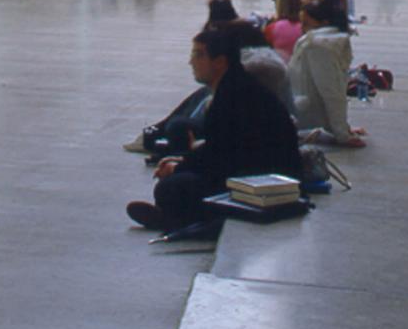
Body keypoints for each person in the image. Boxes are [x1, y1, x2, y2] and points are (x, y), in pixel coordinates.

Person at [125, 23, 301, 240]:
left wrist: (179, 167)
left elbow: (221, 157)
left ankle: (178, 218)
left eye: (199, 55)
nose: (192, 62)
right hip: (255, 170)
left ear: (219, 62)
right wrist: (183, 161)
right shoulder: (234, 87)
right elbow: (222, 147)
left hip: (267, 182)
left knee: (171, 188)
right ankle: (177, 216)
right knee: (176, 180)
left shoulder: (234, 94)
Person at [288, 0, 364, 148]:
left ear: (322, 22)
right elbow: (332, 91)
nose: (301, 27)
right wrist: (342, 132)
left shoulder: (319, 45)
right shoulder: (323, 43)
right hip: (303, 111)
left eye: (306, 22)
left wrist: (343, 132)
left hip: (303, 109)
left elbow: (330, 91)